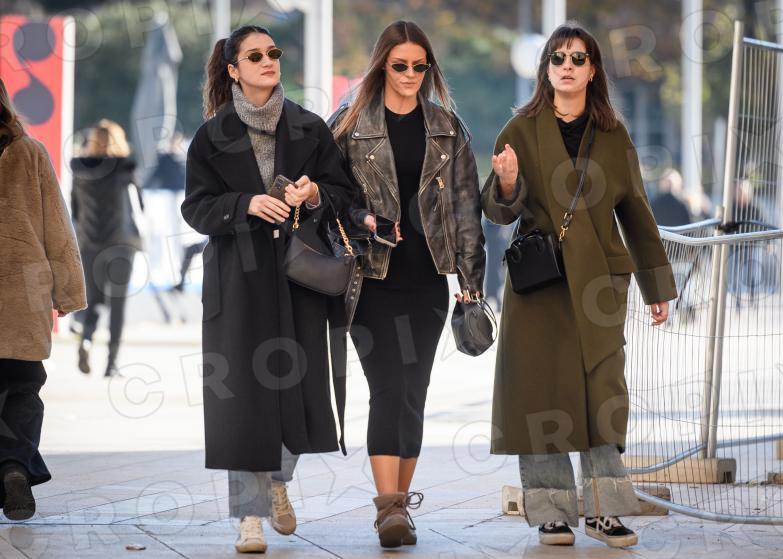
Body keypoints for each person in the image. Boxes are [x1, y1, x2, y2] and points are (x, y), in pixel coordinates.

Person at [482, 23, 677, 549]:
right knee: (540, 394)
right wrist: (506, 183)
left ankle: (606, 512)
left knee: (602, 394)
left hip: (599, 286)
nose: (567, 66)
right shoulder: (519, 130)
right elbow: (498, 212)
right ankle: (551, 513)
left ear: (593, 70)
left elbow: (637, 211)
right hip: (540, 284)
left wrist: (657, 286)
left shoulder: (613, 135)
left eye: (578, 58)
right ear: (546, 69)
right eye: (558, 58)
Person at [181, 25, 355, 554]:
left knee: (300, 392)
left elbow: (343, 192)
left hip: (300, 278)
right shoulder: (210, 136)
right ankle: (249, 517)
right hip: (237, 281)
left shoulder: (309, 127)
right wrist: (245, 204)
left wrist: (314, 191)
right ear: (234, 70)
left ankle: (279, 481)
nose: (268, 61)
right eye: (254, 55)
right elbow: (195, 208)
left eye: (273, 52)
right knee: (243, 400)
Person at [329, 20, 486, 549]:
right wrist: (363, 219)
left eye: (421, 66)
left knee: (414, 392)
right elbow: (330, 198)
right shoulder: (350, 124)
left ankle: (399, 506)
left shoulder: (447, 127)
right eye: (401, 65)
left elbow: (466, 208)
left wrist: (471, 280)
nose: (411, 74)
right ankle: (388, 508)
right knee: (387, 389)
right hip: (370, 278)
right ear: (382, 66)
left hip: (427, 281)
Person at [0, 78, 86, 520]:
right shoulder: (30, 152)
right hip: (23, 294)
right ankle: (14, 465)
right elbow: (57, 225)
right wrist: (69, 290)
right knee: (22, 387)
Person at [71, 119, 142, 377]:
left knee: (94, 300)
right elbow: (140, 205)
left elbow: (75, 210)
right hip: (121, 244)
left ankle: (87, 340)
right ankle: (111, 364)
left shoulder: (80, 170)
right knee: (118, 305)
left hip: (90, 244)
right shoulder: (126, 169)